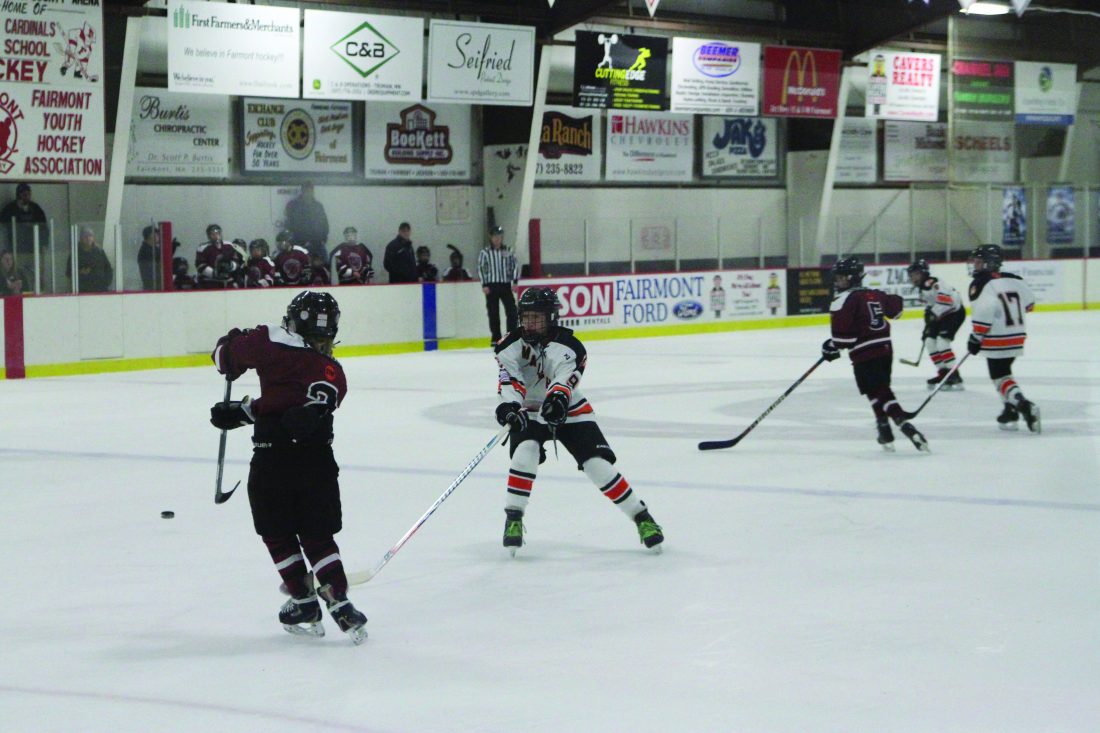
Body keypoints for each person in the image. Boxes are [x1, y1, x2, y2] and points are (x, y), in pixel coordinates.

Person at [209, 291, 367, 644]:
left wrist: (231, 343)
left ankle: (303, 600)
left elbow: (223, 359)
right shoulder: (336, 373)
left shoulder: (269, 339)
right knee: (318, 536)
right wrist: (243, 412)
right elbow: (295, 403)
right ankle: (339, 600)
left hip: (272, 461)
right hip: (318, 464)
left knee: (277, 534)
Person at [493, 287, 664, 555]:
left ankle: (642, 517)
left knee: (597, 465)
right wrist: (510, 407)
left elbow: (564, 381)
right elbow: (510, 380)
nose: (530, 323)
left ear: (551, 317)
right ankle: (513, 518)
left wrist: (557, 399)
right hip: (530, 410)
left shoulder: (571, 347)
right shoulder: (508, 346)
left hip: (569, 408)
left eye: (537, 318)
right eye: (526, 317)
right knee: (525, 453)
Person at [821, 257, 929, 452]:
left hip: (864, 354)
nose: (837, 282)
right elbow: (897, 309)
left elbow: (844, 340)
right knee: (878, 390)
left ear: (851, 278)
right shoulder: (874, 294)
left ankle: (903, 424)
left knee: (879, 391)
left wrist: (830, 346)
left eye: (840, 278)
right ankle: (884, 429)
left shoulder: (842, 300)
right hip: (885, 349)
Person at [965, 244, 1040, 433]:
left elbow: (984, 311)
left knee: (999, 377)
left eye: (979, 262)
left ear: (990, 264)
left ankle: (1023, 405)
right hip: (1016, 335)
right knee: (1005, 373)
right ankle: (1010, 411)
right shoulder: (1014, 279)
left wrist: (976, 337)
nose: (975, 265)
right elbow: (1030, 304)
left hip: (996, 337)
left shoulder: (980, 283)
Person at [907, 259, 966, 390]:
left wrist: (933, 315)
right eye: (911, 275)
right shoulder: (922, 289)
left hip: (954, 313)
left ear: (923, 273)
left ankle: (953, 374)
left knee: (942, 343)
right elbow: (929, 308)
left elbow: (947, 302)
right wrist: (928, 323)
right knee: (929, 341)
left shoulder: (935, 283)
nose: (913, 278)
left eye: (915, 274)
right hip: (941, 315)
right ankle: (943, 372)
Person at [477, 225, 520, 345]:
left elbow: (515, 265)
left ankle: (510, 336)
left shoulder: (508, 250)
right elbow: (481, 268)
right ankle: (496, 337)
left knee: (512, 311)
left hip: (505, 285)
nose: (497, 239)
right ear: (491, 237)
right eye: (495, 236)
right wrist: (484, 284)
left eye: (499, 236)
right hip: (491, 286)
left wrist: (515, 281)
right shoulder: (485, 252)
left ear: (502, 237)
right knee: (493, 313)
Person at [0, 183, 48, 258]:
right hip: (16, 248)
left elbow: (43, 227)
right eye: (23, 194)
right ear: (18, 195)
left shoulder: (35, 209)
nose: (26, 196)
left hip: (34, 249)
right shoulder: (10, 209)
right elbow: (3, 224)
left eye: (28, 194)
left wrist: (44, 244)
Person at [284, 183, 329, 260]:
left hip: (317, 242)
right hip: (298, 242)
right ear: (302, 191)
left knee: (324, 264)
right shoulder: (293, 205)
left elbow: (324, 223)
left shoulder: (318, 206)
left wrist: (323, 238)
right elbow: (289, 224)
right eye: (306, 191)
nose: (308, 193)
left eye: (310, 191)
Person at [66, 227, 113, 293]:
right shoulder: (75, 253)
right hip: (83, 291)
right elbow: (68, 272)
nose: (88, 238)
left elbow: (108, 269)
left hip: (100, 290)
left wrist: (105, 283)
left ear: (93, 237)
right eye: (85, 236)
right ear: (81, 238)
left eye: (90, 236)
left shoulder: (99, 251)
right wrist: (79, 272)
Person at [195, 224, 243, 289]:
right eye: (213, 234)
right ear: (209, 236)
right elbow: (200, 266)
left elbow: (236, 261)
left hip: (228, 282)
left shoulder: (229, 245)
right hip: (210, 283)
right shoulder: (203, 248)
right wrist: (214, 273)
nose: (216, 236)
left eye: (217, 233)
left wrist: (230, 266)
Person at [137, 225, 160, 291]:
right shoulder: (146, 251)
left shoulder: (154, 249)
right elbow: (159, 264)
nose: (159, 236)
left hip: (154, 286)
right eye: (157, 234)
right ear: (151, 236)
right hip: (152, 288)